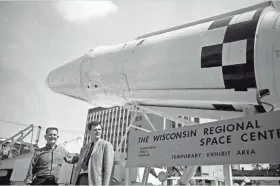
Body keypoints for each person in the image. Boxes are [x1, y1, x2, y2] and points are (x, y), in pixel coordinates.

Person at [73, 121, 114, 185]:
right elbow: (78, 167)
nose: (98, 131)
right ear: (89, 132)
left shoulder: (106, 145)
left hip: (95, 182)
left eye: (99, 129)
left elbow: (108, 170)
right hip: (81, 180)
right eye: (95, 130)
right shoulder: (84, 148)